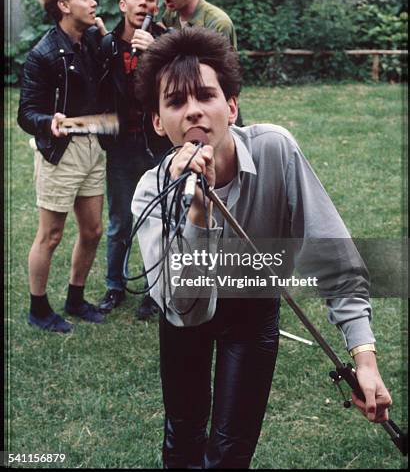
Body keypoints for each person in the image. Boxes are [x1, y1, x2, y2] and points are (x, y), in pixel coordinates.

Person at [131, 27, 392, 469]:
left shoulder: (276, 150)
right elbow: (185, 308)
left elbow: (335, 256)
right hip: (185, 314)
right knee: (183, 441)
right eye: (175, 102)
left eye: (206, 96)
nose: (193, 111)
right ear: (159, 122)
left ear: (231, 106)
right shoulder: (150, 192)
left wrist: (364, 359)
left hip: (252, 312)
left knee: (232, 452)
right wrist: (198, 212)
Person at [17, 0, 108, 333]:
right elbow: (26, 112)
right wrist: (46, 122)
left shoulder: (89, 42)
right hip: (60, 151)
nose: (94, 1)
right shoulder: (44, 54)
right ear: (64, 6)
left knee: (92, 230)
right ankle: (38, 308)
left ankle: (75, 298)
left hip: (92, 146)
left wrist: (104, 37)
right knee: (51, 235)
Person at [96, 0, 170, 319]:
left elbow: (179, 79)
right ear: (123, 4)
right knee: (120, 219)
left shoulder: (166, 40)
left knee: (160, 217)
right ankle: (115, 285)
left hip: (158, 142)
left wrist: (156, 52)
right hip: (122, 145)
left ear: (157, 5)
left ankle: (156, 291)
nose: (144, 3)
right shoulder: (107, 44)